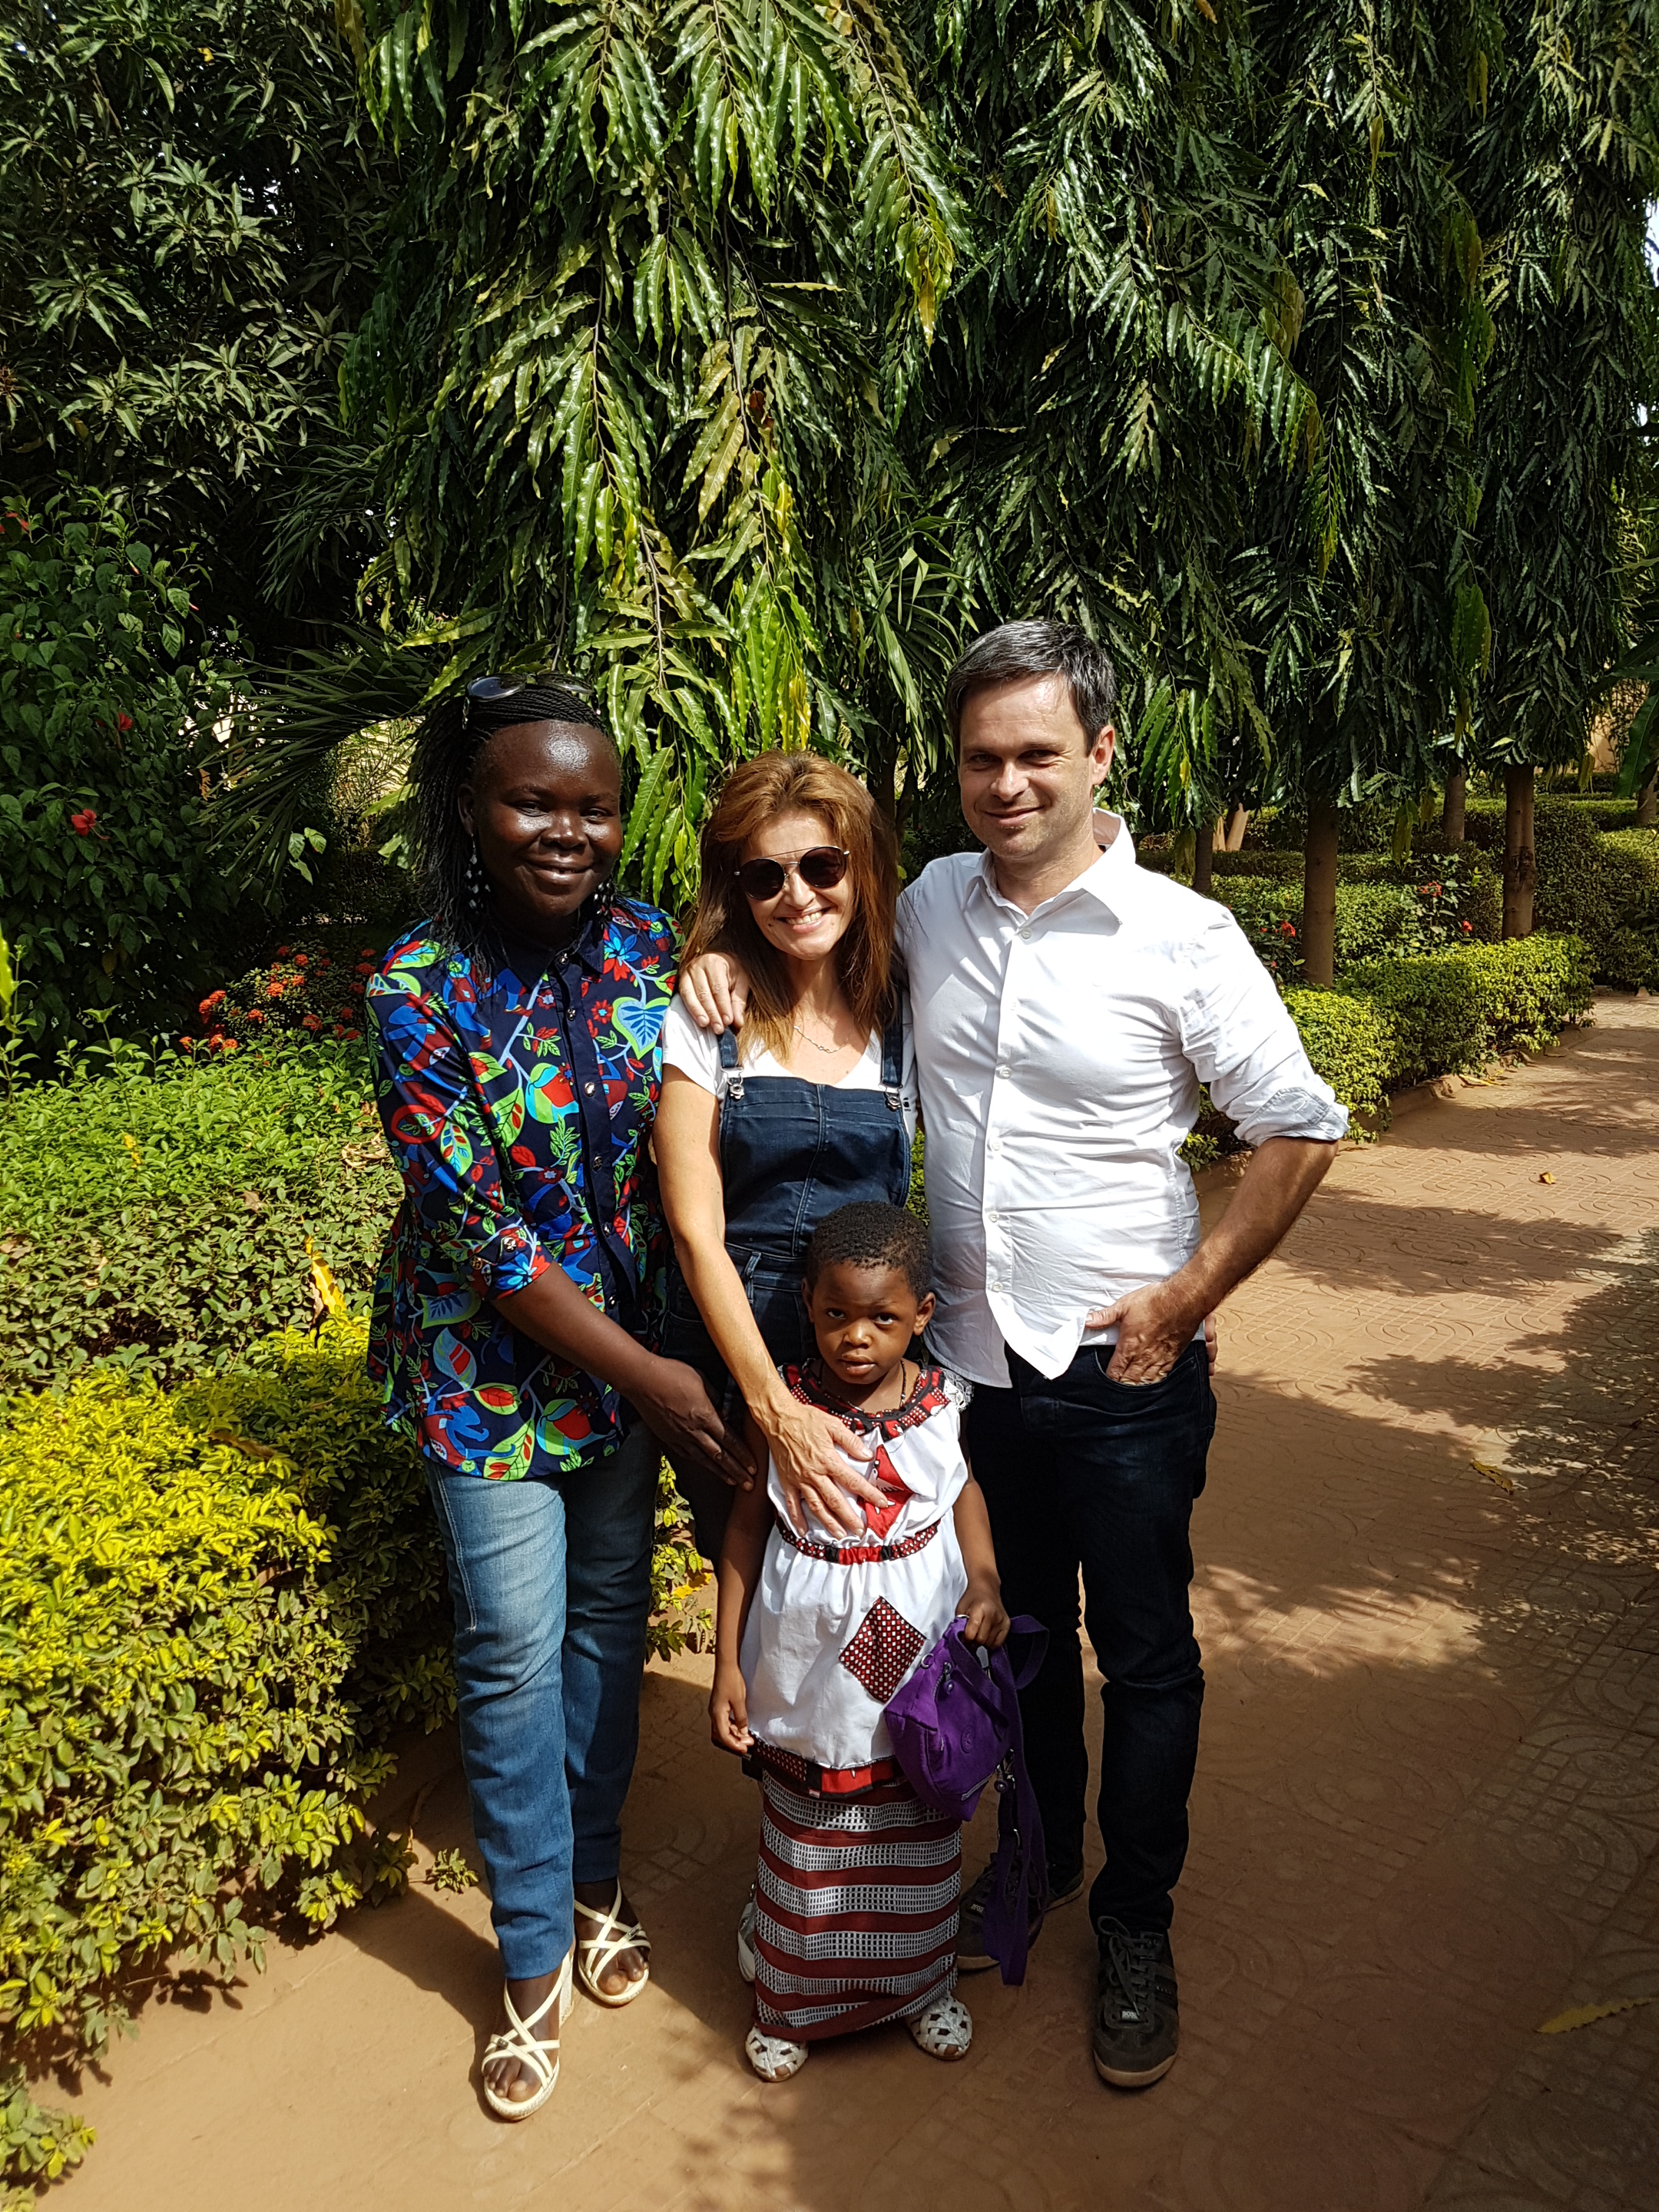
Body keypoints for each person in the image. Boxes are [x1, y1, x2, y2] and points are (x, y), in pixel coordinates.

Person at [678, 620, 1349, 2091]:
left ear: (1101, 753)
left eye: (1039, 753)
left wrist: (1187, 1295)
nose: (1009, 783)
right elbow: (805, 929)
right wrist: (721, 960)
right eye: (983, 758)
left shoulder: (1181, 936)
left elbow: (1299, 1127)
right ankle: (1039, 1857)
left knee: (1147, 1655)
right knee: (1015, 1632)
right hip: (969, 1377)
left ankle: (1135, 1922)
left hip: (1124, 1382)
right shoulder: (928, 902)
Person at [366, 677, 751, 2122]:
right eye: (535, 801)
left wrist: (723, 978)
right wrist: (656, 1379)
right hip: (488, 1380)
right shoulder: (415, 988)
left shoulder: (652, 949)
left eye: (594, 807)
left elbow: (702, 1134)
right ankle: (529, 1953)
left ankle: (594, 1884)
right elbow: (482, 1236)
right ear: (473, 808)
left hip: (629, 1363)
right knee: (512, 1654)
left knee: (604, 1625)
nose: (568, 831)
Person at [709, 1200, 1008, 2081]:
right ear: (807, 1303)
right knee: (812, 1828)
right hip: (808, 1667)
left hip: (915, 1666)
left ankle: (921, 1985)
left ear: (922, 1314)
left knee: (916, 1819)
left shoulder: (941, 1406)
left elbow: (962, 1492)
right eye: (836, 1313)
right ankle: (793, 1999)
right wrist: (726, 1663)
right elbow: (742, 1533)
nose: (856, 1337)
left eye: (882, 1317)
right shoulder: (784, 1411)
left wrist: (985, 1581)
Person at [653, 753, 921, 1559]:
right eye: (765, 876)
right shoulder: (710, 1019)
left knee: (856, 1573)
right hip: (732, 1364)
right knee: (749, 1575)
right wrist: (773, 1407)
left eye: (822, 866)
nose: (796, 895)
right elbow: (696, 1233)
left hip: (863, 1355)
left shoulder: (906, 1016)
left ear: (862, 868)